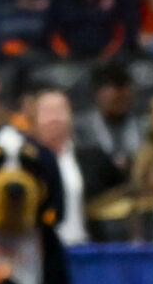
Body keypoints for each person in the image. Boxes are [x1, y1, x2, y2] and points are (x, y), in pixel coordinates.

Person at [26, 85, 113, 244]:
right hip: (39, 248)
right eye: (47, 112)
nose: (55, 117)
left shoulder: (93, 158)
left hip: (84, 247)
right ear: (34, 119)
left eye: (60, 110)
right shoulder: (26, 161)